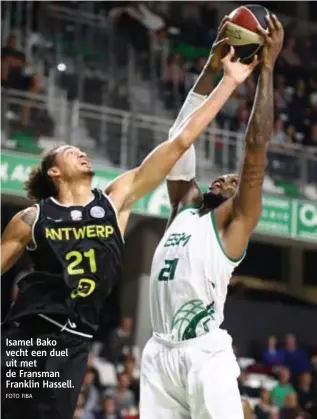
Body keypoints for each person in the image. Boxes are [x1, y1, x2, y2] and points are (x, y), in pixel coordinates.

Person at [0, 27, 257, 419]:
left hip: (76, 343)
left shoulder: (115, 201)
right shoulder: (31, 218)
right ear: (54, 172)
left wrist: (225, 80)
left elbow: (180, 142)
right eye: (71, 152)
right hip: (29, 333)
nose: (81, 152)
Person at [140, 14, 284, 419]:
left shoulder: (234, 226)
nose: (225, 177)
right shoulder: (185, 207)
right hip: (157, 352)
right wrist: (211, 66)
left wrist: (267, 70)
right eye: (222, 175)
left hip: (204, 352)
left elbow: (255, 148)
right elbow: (180, 136)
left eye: (235, 181)